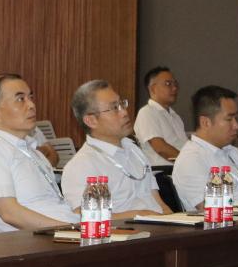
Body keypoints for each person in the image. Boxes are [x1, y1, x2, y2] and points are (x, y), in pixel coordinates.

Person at [0, 74, 80, 232]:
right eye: (20, 99)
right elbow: (10, 214)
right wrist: (71, 230)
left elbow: (54, 205)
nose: (31, 105)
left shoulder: (34, 153)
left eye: (31, 97)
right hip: (39, 241)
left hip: (65, 233)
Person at [60, 80, 170, 217]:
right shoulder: (81, 165)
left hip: (157, 225)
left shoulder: (134, 150)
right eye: (114, 108)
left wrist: (173, 221)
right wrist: (139, 215)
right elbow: (85, 218)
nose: (124, 112)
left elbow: (159, 203)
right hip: (130, 229)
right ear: (91, 120)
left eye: (122, 104)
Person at [133, 66, 187, 166]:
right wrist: (188, 163)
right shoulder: (147, 112)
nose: (174, 88)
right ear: (153, 88)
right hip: (164, 172)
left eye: (175, 84)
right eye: (168, 84)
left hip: (180, 169)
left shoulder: (175, 116)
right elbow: (160, 148)